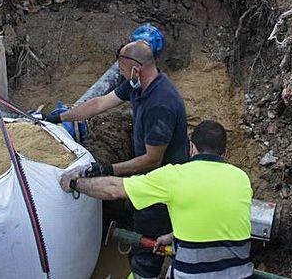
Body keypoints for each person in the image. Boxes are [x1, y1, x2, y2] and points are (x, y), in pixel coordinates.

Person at [44, 39, 189, 279]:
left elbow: (152, 159)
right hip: (146, 173)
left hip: (163, 183)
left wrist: (107, 168)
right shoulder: (138, 85)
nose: (120, 74)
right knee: (137, 214)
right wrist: (58, 118)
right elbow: (99, 103)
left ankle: (146, 271)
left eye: (121, 70)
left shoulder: (161, 104)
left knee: (148, 238)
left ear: (135, 69)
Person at [60, 120, 253, 278]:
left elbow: (113, 190)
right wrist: (173, 236)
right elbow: (212, 215)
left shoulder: (175, 176)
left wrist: (76, 183)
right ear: (225, 153)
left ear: (191, 148)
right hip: (241, 274)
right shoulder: (242, 179)